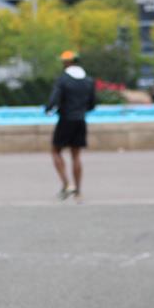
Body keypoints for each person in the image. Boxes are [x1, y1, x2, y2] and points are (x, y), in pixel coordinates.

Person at [44, 50, 96, 201]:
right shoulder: (88, 80)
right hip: (81, 120)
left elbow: (53, 100)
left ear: (67, 63)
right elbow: (92, 104)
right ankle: (78, 191)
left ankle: (67, 184)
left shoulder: (63, 80)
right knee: (76, 156)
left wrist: (49, 109)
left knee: (56, 151)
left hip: (66, 119)